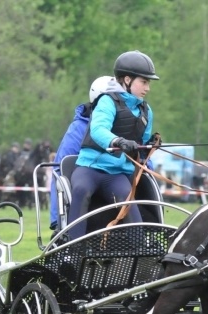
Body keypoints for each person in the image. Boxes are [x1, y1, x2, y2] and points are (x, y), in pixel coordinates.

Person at [66, 50, 159, 240]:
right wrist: (117, 141)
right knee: (80, 190)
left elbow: (140, 144)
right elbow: (98, 130)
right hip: (90, 168)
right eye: (144, 82)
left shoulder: (146, 111)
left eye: (148, 83)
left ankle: (140, 249)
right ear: (127, 80)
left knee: (128, 203)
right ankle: (71, 248)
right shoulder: (107, 102)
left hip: (117, 174)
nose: (147, 88)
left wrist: (149, 146)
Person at [49, 75, 115, 230]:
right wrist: (56, 220)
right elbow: (60, 170)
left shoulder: (128, 123)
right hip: (88, 196)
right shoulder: (78, 128)